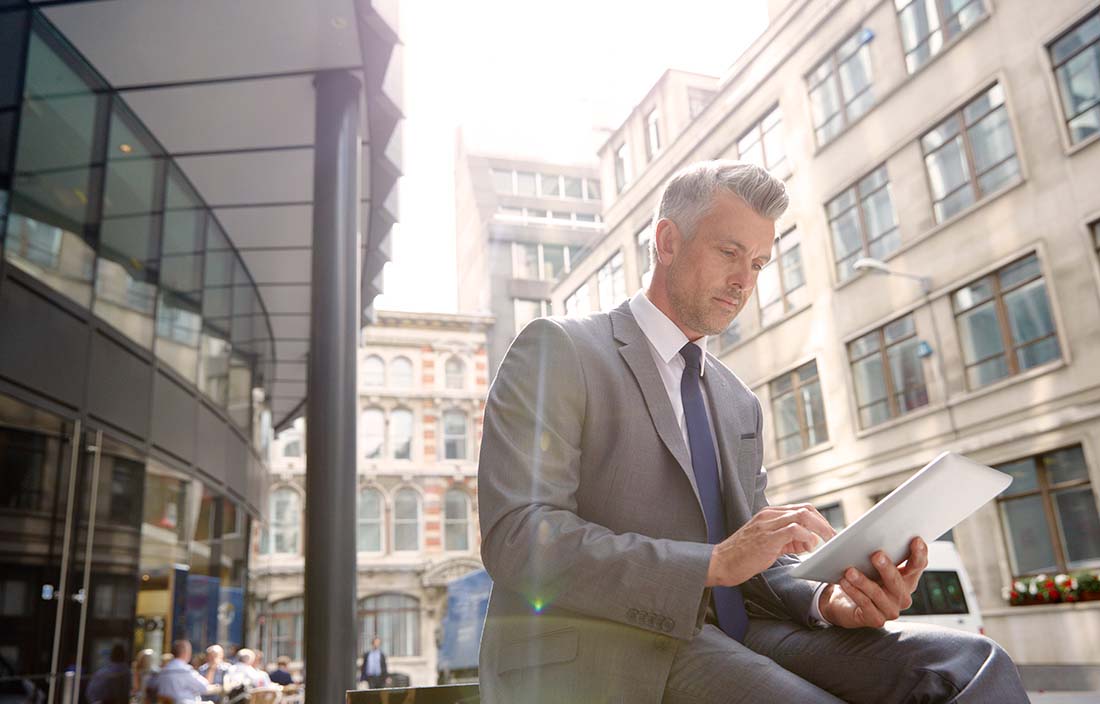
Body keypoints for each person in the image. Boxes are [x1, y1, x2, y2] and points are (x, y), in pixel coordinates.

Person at [476, 160, 1030, 703]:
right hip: (614, 642)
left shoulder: (737, 400)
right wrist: (712, 564)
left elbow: (756, 566)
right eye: (729, 253)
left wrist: (830, 599)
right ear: (667, 242)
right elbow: (518, 537)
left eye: (760, 263)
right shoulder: (560, 349)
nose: (744, 281)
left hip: (745, 631)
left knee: (970, 663)